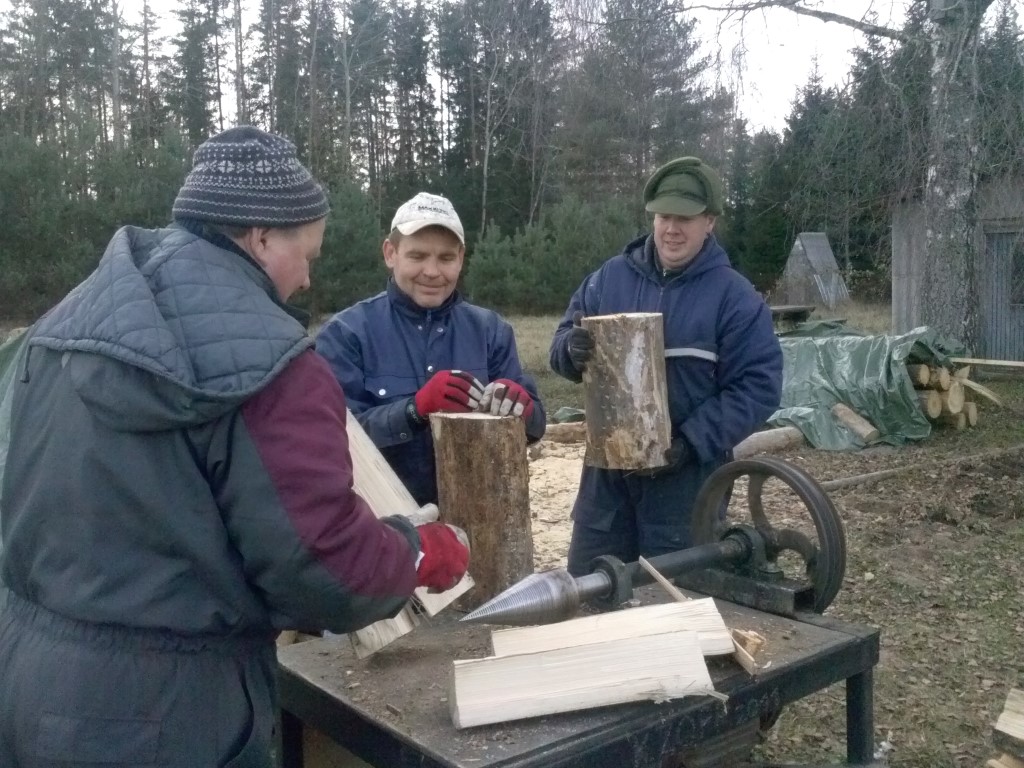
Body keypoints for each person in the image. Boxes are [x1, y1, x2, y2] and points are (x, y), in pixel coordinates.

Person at [0, 127, 469, 768]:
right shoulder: (274, 365)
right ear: (261, 236)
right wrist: (415, 554)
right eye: (307, 253)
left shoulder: (64, 325)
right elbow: (325, 572)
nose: (306, 279)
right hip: (172, 713)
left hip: (27, 680)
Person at [549, 156, 783, 576]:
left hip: (686, 484)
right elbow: (560, 346)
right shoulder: (609, 278)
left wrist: (691, 441)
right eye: (663, 216)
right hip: (606, 482)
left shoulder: (734, 297)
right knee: (590, 591)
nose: (671, 228)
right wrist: (572, 348)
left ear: (709, 221)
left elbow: (758, 386)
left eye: (685, 218)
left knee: (673, 603)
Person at [316, 192, 546, 505]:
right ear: (390, 253)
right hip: (387, 522)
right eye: (417, 256)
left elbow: (535, 427)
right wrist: (413, 410)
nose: (432, 271)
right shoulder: (347, 334)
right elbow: (332, 441)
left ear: (461, 259)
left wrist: (524, 410)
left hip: (482, 517)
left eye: (446, 258)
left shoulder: (491, 331)